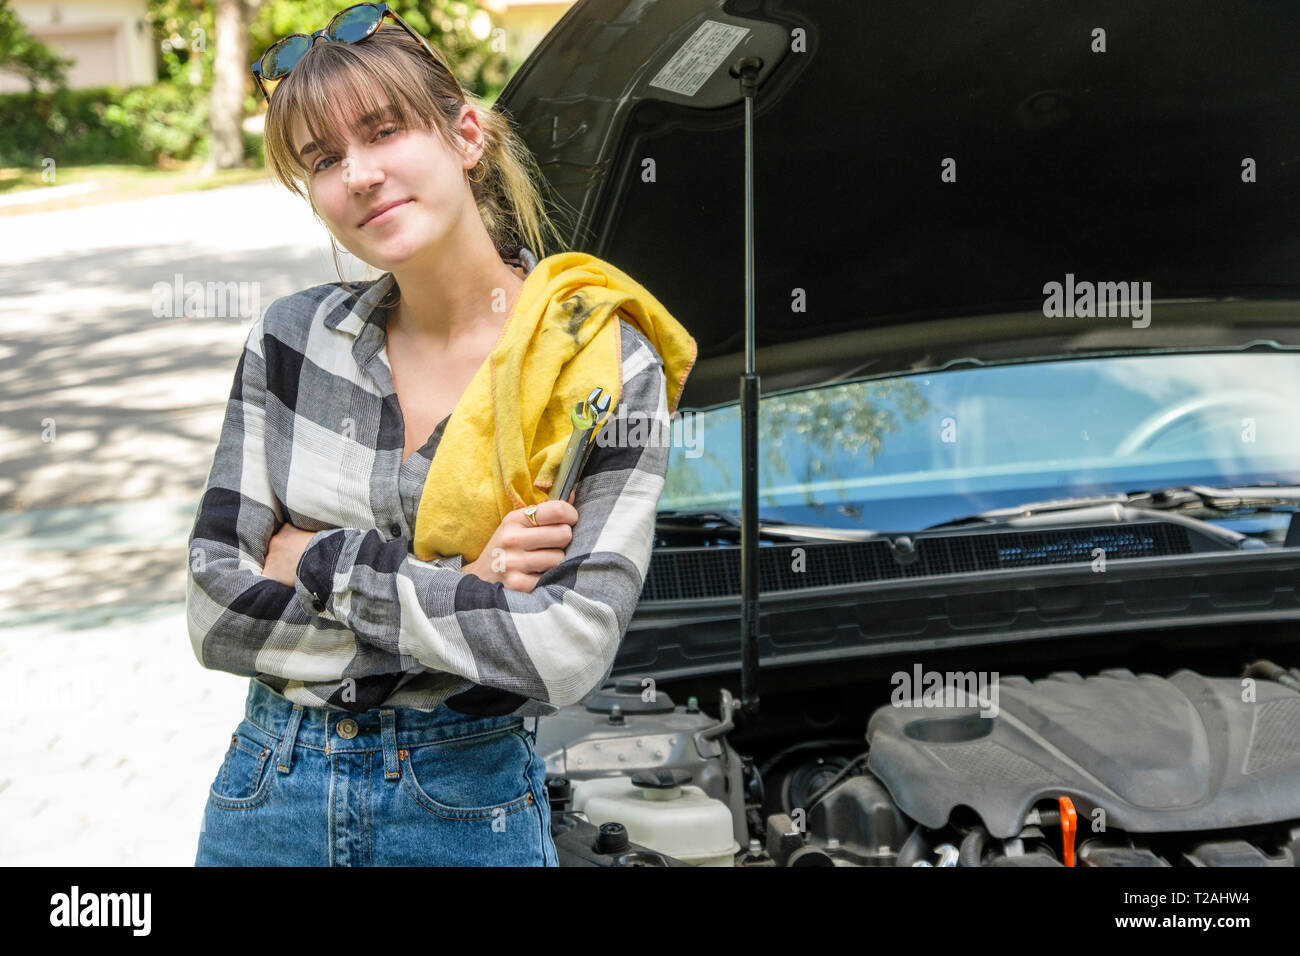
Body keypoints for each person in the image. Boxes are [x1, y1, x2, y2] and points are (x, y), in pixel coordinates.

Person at [188, 5, 680, 866]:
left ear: (465, 134)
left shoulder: (597, 365)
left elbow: (565, 650)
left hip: (464, 805)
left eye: (383, 132)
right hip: (270, 791)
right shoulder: (291, 340)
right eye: (324, 159)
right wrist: (462, 586)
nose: (361, 175)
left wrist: (318, 559)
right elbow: (215, 614)